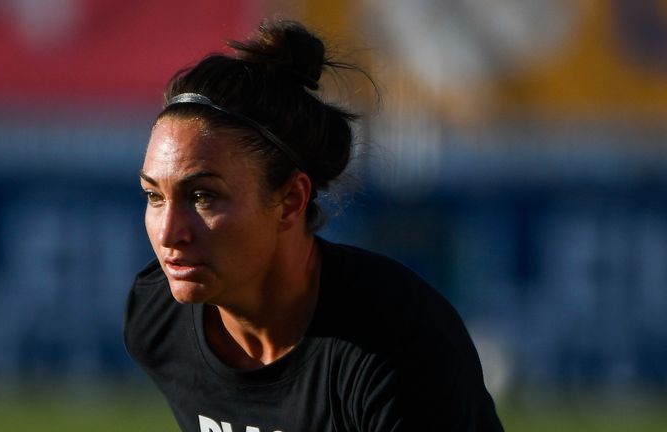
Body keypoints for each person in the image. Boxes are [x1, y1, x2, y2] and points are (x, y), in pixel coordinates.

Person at [124, 19, 503, 432]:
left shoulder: (398, 346)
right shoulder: (158, 320)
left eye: (203, 197)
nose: (168, 233)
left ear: (290, 201)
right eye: (154, 197)